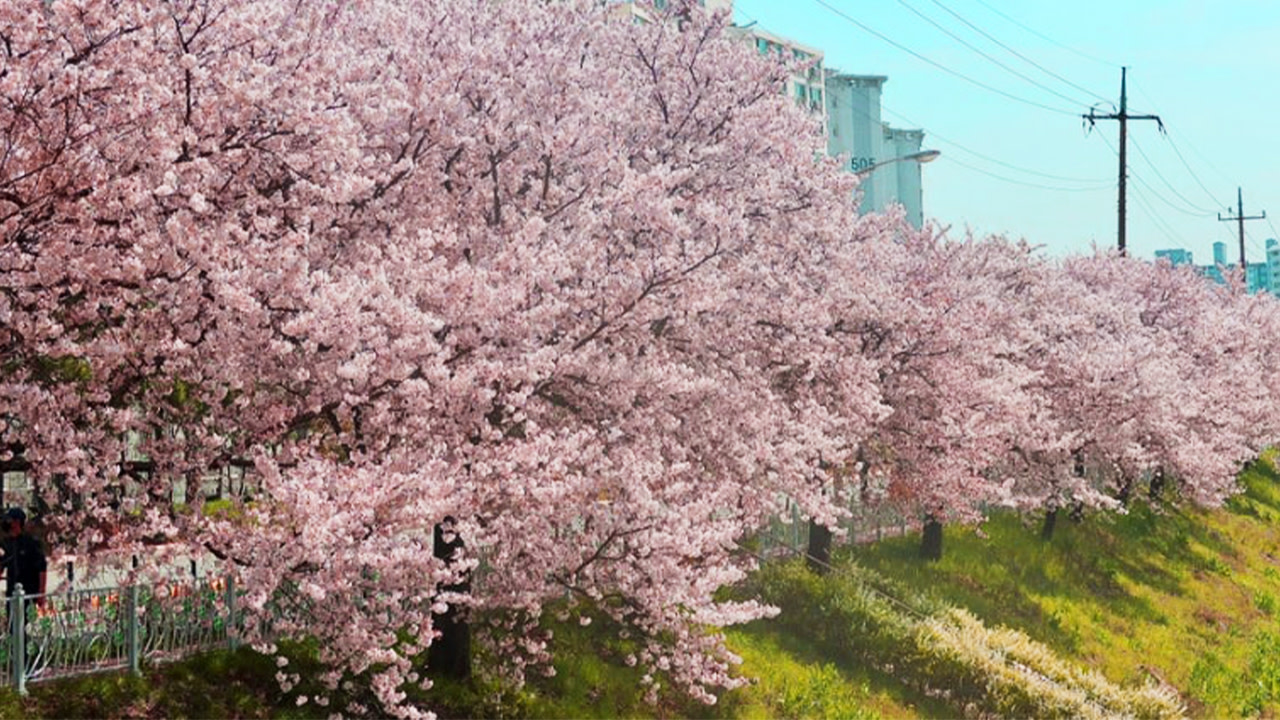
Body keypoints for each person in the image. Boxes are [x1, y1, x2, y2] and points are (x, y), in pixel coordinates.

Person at [0, 508, 47, 606]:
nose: (6, 523)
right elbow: (2, 564)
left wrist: (41, 594)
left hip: (30, 594)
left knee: (29, 620)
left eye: (9, 520)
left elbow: (42, 568)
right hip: (12, 595)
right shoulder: (6, 543)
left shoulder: (32, 543)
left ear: (17, 522)